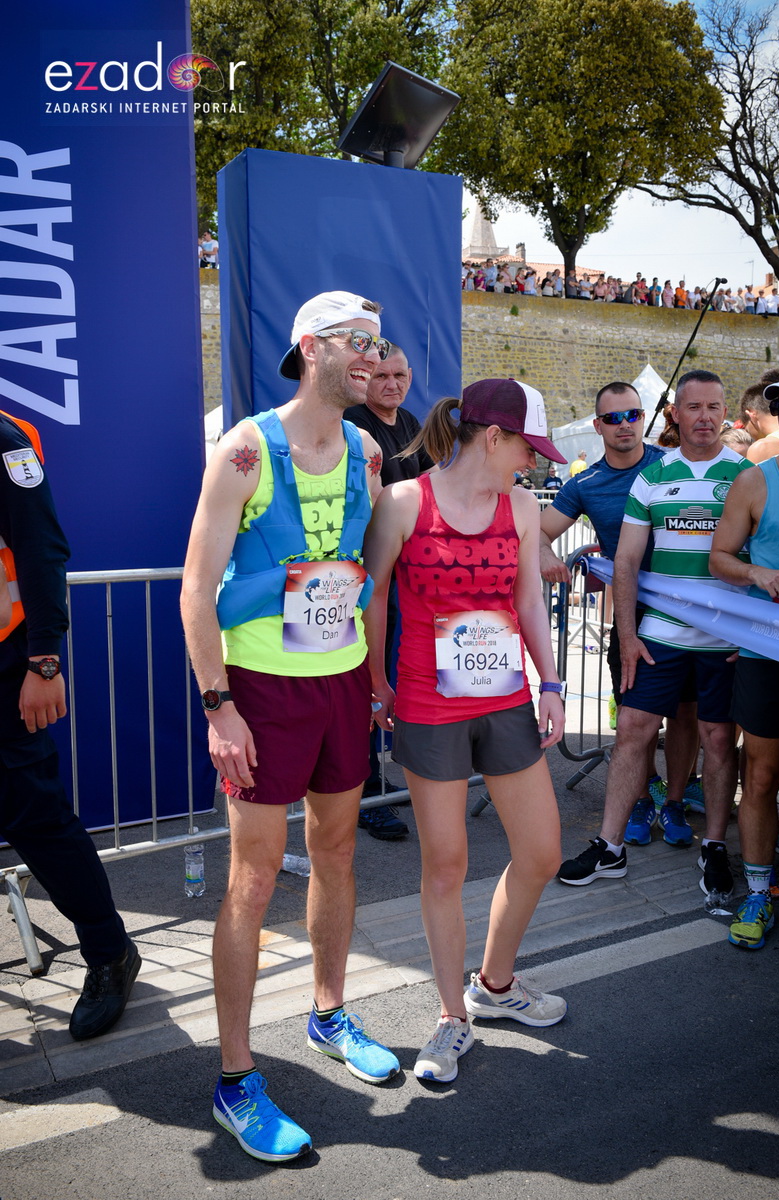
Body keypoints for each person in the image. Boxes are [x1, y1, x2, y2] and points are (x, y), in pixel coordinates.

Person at [180, 291, 399, 1164]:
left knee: (339, 851)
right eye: (359, 342)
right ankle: (236, 1079)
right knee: (254, 875)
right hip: (260, 690)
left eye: (378, 343)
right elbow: (196, 586)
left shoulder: (368, 452)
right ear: (312, 348)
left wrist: (375, 678)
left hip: (338, 680)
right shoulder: (243, 449)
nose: (375, 358)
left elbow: (355, 573)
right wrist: (216, 703)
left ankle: (328, 1012)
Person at [363, 378, 568, 1084]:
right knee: (445, 864)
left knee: (541, 851)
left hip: (505, 698)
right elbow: (378, 593)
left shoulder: (517, 505)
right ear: (493, 437)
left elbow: (527, 599)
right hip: (427, 703)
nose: (534, 464)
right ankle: (452, 1017)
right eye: (527, 449)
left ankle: (495, 984)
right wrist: (376, 681)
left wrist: (550, 682)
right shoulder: (403, 501)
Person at [557, 371, 752, 896]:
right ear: (676, 415)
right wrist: (626, 635)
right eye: (695, 408)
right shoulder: (654, 475)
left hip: (724, 641)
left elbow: (764, 558)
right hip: (660, 635)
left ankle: (713, 845)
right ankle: (609, 846)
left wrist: (752, 636)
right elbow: (625, 561)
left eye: (715, 407)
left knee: (717, 740)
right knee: (633, 732)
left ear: (725, 412)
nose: (706, 417)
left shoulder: (747, 475)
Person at [0, 411, 140, 1042]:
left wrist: (45, 661)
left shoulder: (4, 440)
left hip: (7, 667)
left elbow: (42, 548)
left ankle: (110, 954)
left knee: (38, 818)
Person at [539, 382, 700, 834]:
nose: (625, 425)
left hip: (686, 611)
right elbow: (536, 531)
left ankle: (674, 799)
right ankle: (645, 792)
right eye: (613, 418)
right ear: (598, 426)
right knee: (633, 714)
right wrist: (546, 555)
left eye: (632, 415)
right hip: (631, 616)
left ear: (643, 415)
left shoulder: (670, 466)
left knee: (685, 712)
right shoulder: (585, 483)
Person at [710, 370, 779, 947]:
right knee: (762, 770)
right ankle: (759, 890)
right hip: (770, 647)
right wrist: (755, 572)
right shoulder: (755, 481)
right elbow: (719, 556)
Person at [345, 344, 434, 839]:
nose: (392, 384)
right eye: (382, 376)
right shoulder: (353, 424)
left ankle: (399, 782)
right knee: (365, 681)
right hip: (362, 575)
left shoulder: (412, 424)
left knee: (400, 678)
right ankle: (366, 792)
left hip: (405, 577)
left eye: (399, 375)